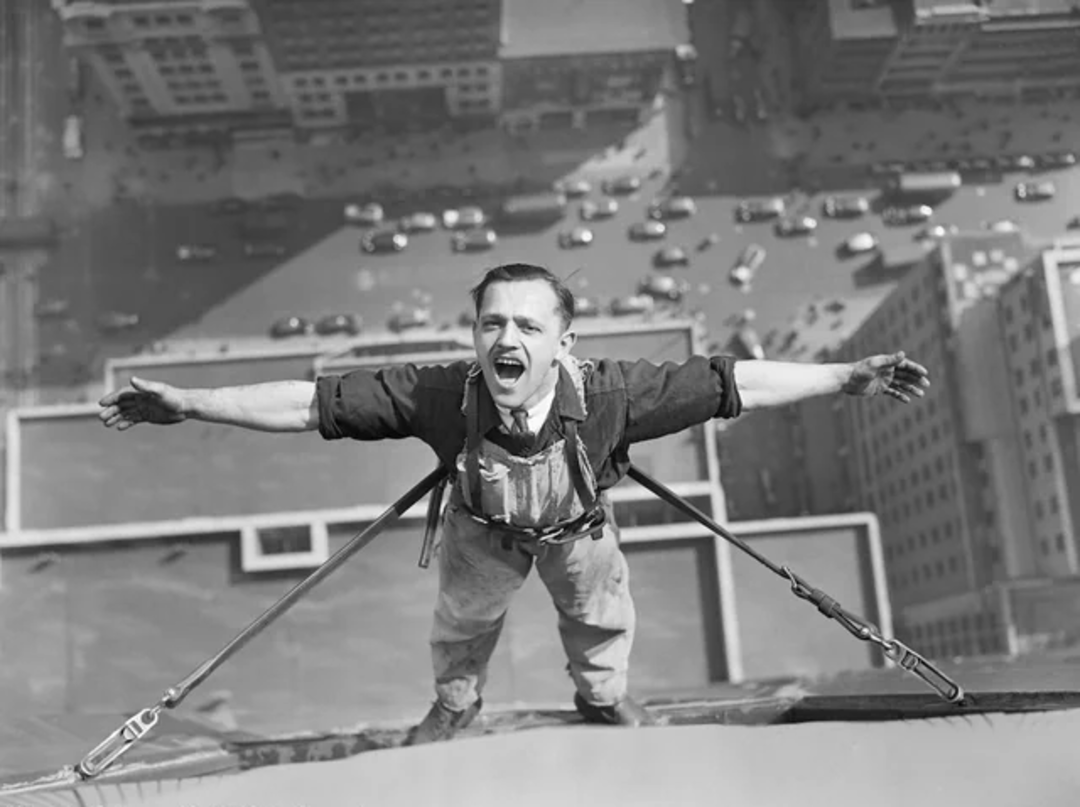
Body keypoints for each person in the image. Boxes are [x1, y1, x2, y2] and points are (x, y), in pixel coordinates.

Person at [97, 262, 929, 744]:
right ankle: (455, 708)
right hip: (481, 535)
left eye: (529, 327)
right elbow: (309, 404)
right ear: (475, 336)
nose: (507, 341)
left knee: (603, 620)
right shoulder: (434, 394)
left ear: (564, 342)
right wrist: (192, 403)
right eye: (493, 324)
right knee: (460, 629)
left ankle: (601, 698)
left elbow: (733, 382)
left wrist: (845, 377)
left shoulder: (615, 395)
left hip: (577, 530)